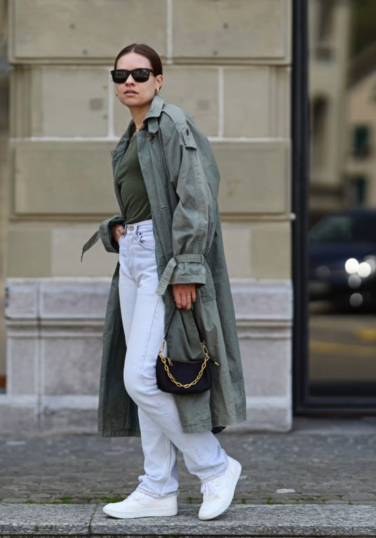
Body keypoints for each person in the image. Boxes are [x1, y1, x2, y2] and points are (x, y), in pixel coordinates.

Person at [81, 43, 247, 521]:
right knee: (149, 376)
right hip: (134, 255)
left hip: (164, 260)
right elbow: (145, 201)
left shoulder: (171, 124)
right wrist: (119, 226)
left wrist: (187, 268)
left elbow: (196, 198)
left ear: (159, 79)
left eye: (140, 73)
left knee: (139, 379)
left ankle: (214, 467)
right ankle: (157, 487)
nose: (128, 81)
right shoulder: (133, 136)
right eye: (119, 74)